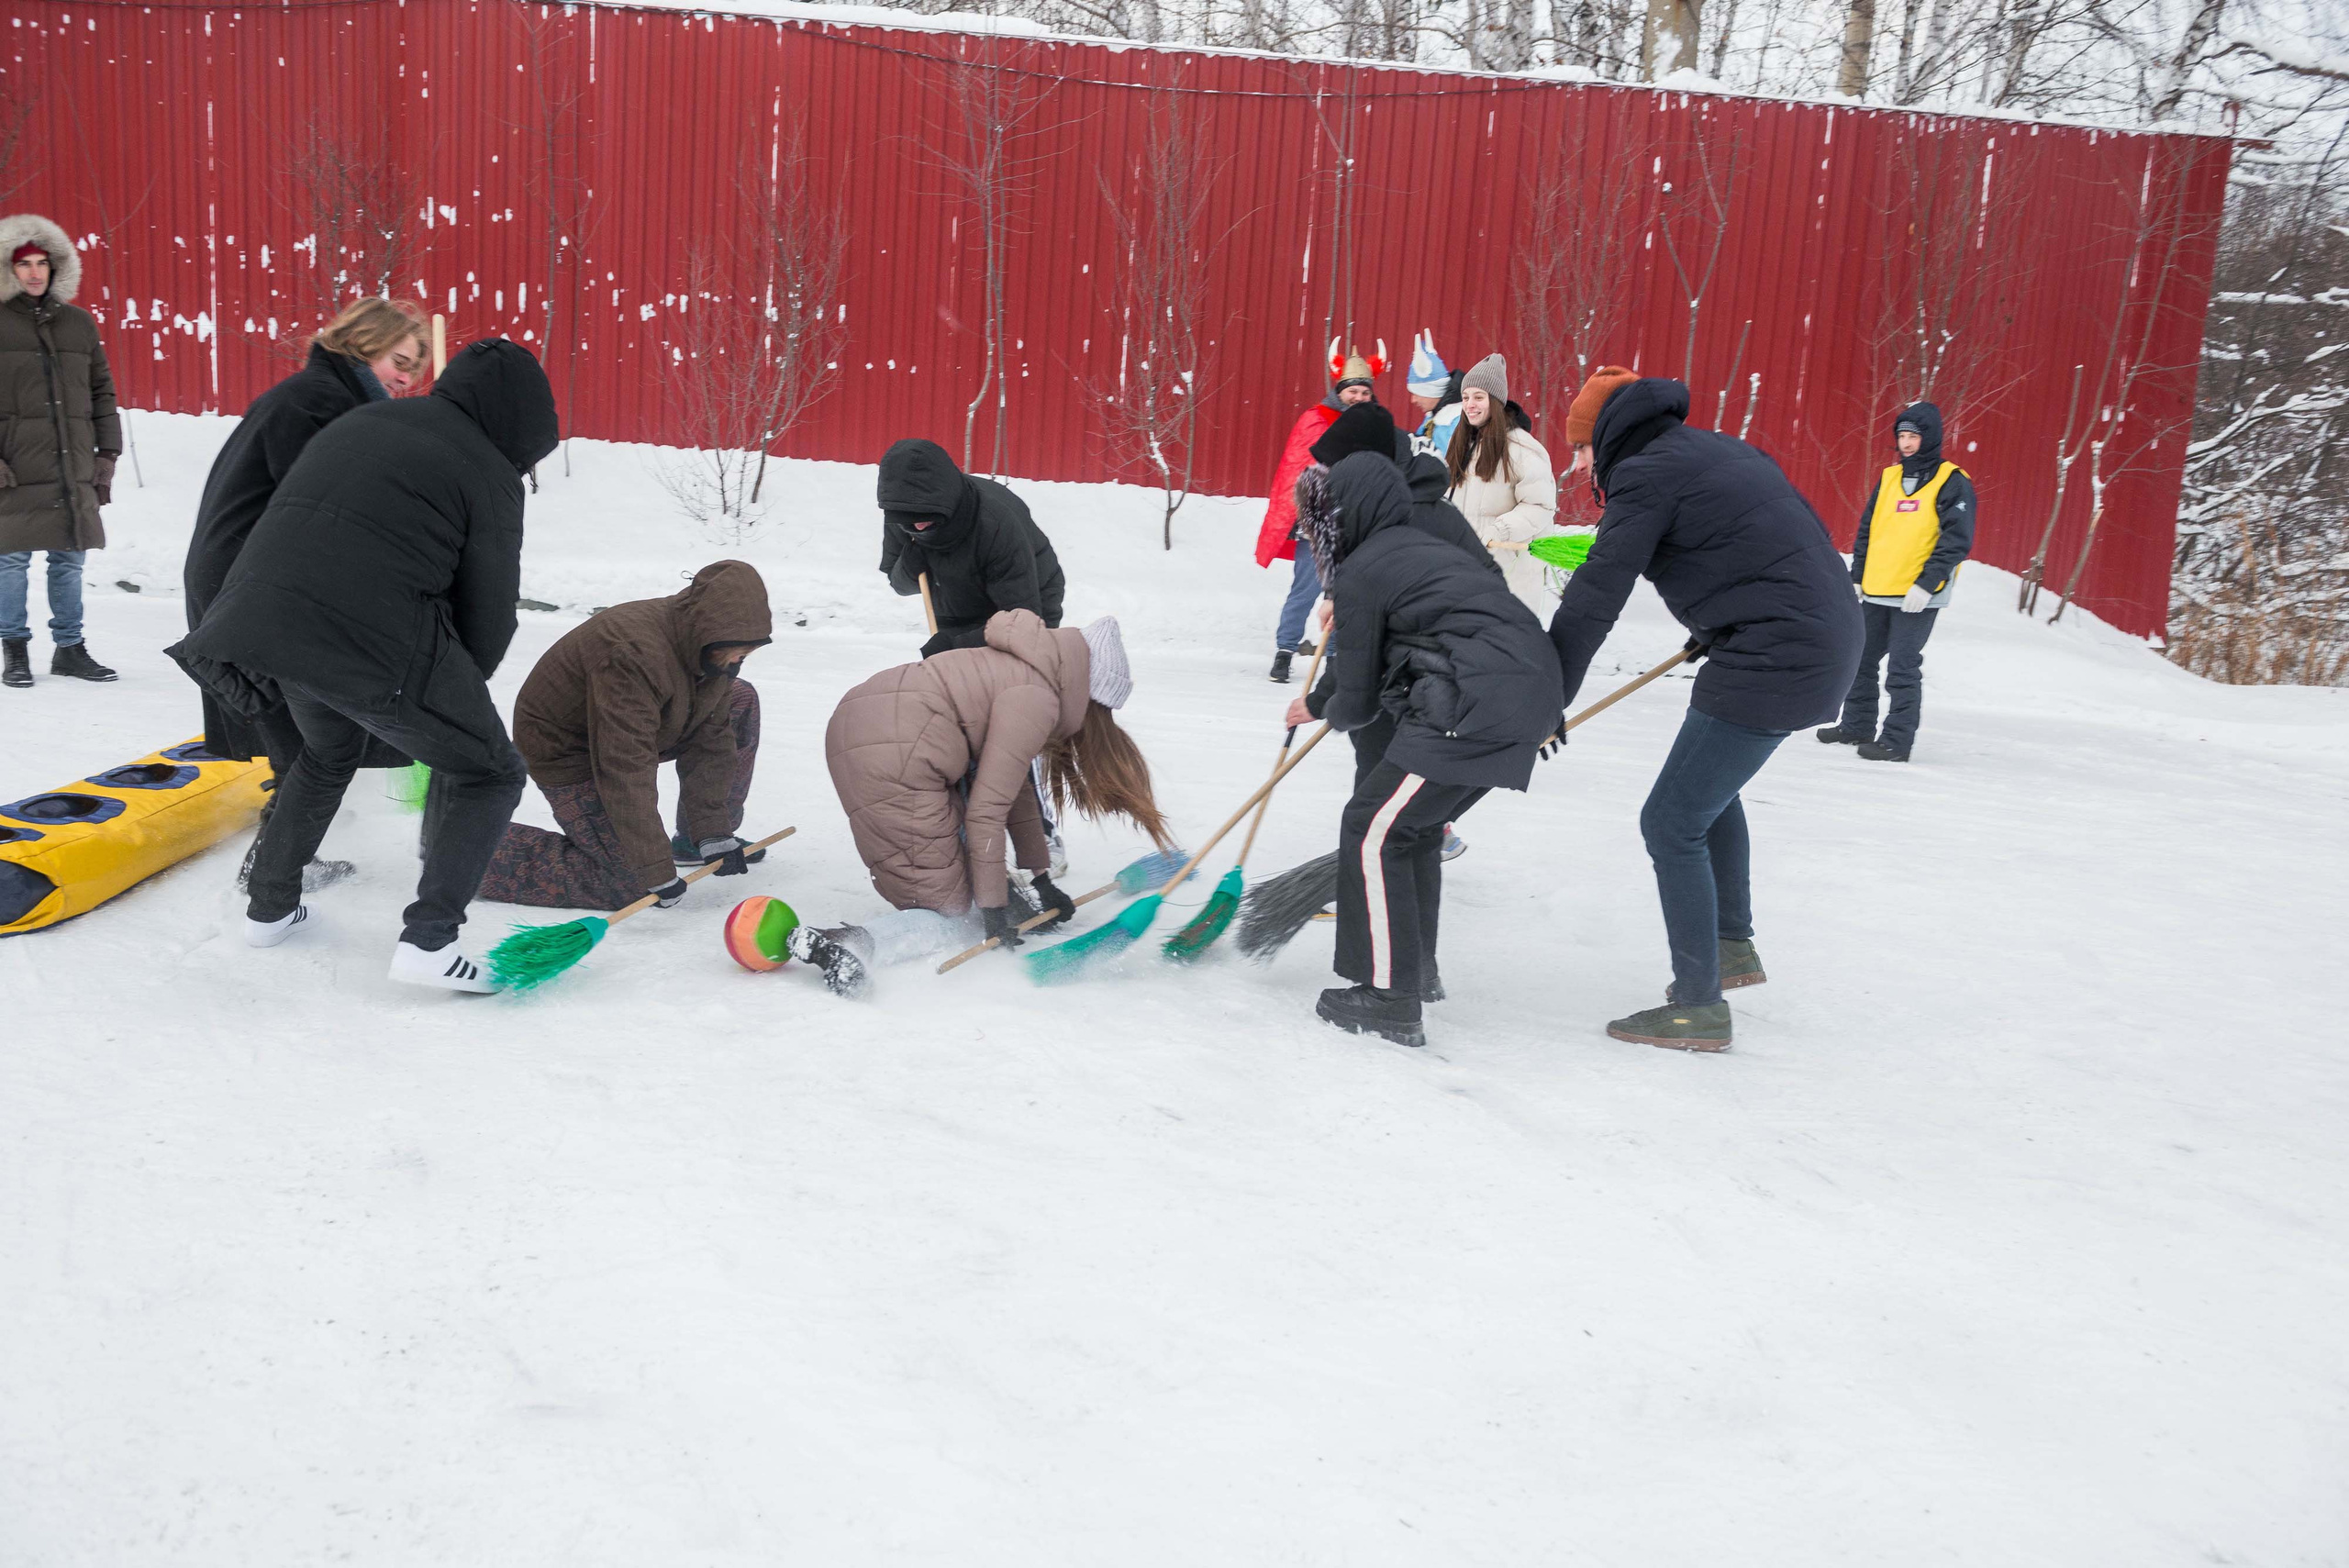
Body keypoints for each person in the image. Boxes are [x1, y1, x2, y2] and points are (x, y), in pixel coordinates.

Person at [170, 339, 560, 993]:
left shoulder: (365, 420)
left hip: (264, 622)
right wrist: (456, 700)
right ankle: (430, 942)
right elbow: (488, 612)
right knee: (490, 770)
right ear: (522, 421)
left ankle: (269, 907)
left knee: (326, 754)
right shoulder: (487, 469)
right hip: (365, 634)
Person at [1548, 368, 1863, 1052]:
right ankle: (1729, 946)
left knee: (1670, 820)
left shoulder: (1645, 473)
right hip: (1817, 637)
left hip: (1776, 653)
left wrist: (1549, 691)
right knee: (1709, 794)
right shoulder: (1722, 449)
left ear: (1605, 435)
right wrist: (1719, 619)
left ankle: (1698, 1006)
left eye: (1579, 448)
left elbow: (1599, 588)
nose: (1578, 464)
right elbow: (1769, 547)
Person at [1295, 451, 1564, 1050]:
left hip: (1474, 700)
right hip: (1522, 691)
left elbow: (1359, 701)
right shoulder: (1420, 547)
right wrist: (1321, 703)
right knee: (1409, 829)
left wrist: (1326, 709)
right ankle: (1412, 972)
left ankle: (1390, 996)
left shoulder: (1365, 568)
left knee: (1371, 826)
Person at [182, 296, 431, 892]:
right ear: (365, 341)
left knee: (302, 734)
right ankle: (270, 873)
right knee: (309, 739)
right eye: (400, 360)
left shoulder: (330, 399)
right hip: (247, 588)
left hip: (250, 582)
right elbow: (321, 511)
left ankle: (277, 861)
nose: (404, 377)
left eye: (414, 369)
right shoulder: (320, 402)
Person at [790, 609, 1168, 997]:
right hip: (898, 750)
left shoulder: (1027, 668)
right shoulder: (1037, 698)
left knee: (961, 893)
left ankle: (854, 938)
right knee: (953, 913)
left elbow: (1014, 788)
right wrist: (990, 910)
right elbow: (987, 810)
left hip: (869, 727)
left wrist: (1039, 878)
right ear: (1090, 694)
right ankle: (847, 944)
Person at [478, 560, 773, 912]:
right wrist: (652, 865)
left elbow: (712, 739)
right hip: (568, 747)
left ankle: (692, 841)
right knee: (635, 883)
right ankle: (471, 846)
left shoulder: (712, 650)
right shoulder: (631, 652)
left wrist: (712, 830)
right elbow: (626, 765)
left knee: (740, 698)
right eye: (739, 650)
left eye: (749, 651)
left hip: (653, 720)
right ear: (710, 631)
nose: (742, 658)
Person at [1, 214, 121, 689]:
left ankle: (70, 649)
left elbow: (102, 393)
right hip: (15, 466)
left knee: (69, 557)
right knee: (11, 560)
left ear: (56, 268)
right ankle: (14, 651)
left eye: (42, 263)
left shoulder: (78, 324)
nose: (34, 272)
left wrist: (106, 454)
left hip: (72, 463)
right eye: (24, 263)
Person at [1819, 401, 1976, 762]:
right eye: (1902, 436)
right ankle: (1857, 725)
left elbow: (1956, 540)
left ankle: (1896, 742)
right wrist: (1857, 576)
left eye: (1913, 436)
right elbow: (1867, 531)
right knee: (1860, 659)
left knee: (1902, 667)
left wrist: (1926, 583)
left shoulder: (1952, 481)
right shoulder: (1889, 478)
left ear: (1930, 438)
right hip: (1877, 588)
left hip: (1918, 595)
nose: (1906, 443)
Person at [1254, 339, 1386, 684]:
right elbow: (1298, 467)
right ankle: (1285, 651)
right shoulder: (1315, 418)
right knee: (1306, 589)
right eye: (1352, 391)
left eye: (1364, 392)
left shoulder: (1377, 424)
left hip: (1355, 523)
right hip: (1317, 524)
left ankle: (1333, 656)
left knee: (1345, 593)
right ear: (1339, 391)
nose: (1358, 398)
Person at [876, 438, 1064, 658]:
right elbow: (898, 584)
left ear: (943, 503)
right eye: (909, 519)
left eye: (926, 517)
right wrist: (909, 564)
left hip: (1030, 607)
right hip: (957, 609)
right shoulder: (903, 516)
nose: (917, 526)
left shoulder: (994, 525)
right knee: (953, 680)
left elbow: (1021, 624)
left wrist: (955, 646)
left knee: (1009, 681)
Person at [1444, 353, 1558, 615]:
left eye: (1478, 397)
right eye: (1465, 398)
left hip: (1508, 575)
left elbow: (1540, 506)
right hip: (1465, 570)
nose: (1470, 405)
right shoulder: (1463, 444)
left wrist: (1501, 530)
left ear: (1495, 401)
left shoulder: (1522, 448)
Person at [1404, 329, 1464, 462]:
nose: (1413, 400)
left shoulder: (1457, 422)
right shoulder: (1432, 418)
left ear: (1431, 391)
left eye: (1417, 393)